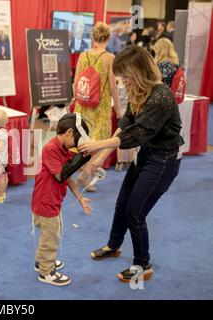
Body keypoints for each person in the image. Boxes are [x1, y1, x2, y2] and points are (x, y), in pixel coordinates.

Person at [79, 45, 183, 283]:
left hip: (164, 160)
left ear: (138, 71)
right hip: (147, 154)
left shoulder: (161, 96)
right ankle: (114, 245)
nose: (122, 80)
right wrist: (99, 157)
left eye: (125, 75)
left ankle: (143, 265)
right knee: (122, 203)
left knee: (135, 212)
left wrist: (96, 145)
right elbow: (126, 124)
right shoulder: (139, 92)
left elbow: (137, 134)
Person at [31, 113, 92, 286]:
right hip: (46, 202)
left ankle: (41, 261)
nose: (76, 146)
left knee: (49, 234)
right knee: (51, 238)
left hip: (53, 201)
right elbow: (60, 176)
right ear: (70, 133)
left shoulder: (62, 149)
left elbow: (68, 175)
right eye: (77, 140)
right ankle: (46, 272)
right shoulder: (50, 149)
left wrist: (80, 198)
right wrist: (83, 157)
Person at [73, 22, 122, 191]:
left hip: (82, 104)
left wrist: (78, 100)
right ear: (108, 38)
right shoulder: (109, 58)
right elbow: (113, 86)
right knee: (102, 142)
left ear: (93, 37)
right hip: (100, 107)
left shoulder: (82, 56)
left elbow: (76, 81)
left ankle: (85, 172)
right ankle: (87, 172)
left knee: (85, 139)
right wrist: (118, 108)